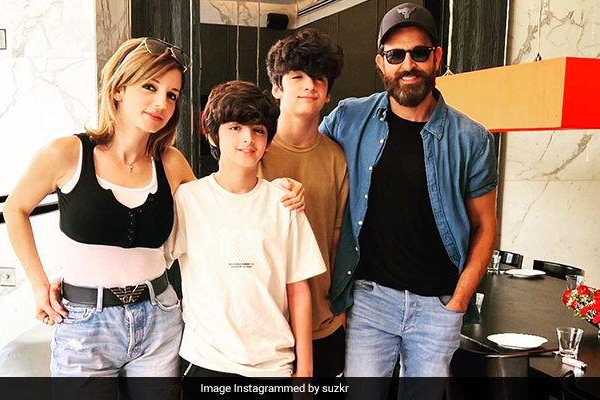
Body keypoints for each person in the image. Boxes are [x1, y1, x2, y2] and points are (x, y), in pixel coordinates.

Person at [3, 38, 303, 395]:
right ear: (118, 88)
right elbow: (15, 209)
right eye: (150, 87)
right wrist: (39, 285)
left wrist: (276, 189)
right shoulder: (67, 153)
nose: (162, 103)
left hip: (159, 317)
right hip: (85, 323)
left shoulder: (170, 162)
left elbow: (223, 205)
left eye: (172, 95)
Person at [319, 3, 498, 399]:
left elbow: (486, 225)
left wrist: (459, 301)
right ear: (380, 63)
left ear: (437, 57)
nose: (408, 65)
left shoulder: (471, 138)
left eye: (419, 52)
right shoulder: (349, 119)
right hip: (369, 302)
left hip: (439, 307)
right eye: (395, 55)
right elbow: (304, 153)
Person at [171, 81, 325, 391]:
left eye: (257, 130)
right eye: (235, 127)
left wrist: (305, 372)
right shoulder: (187, 200)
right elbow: (148, 260)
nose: (247, 139)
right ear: (212, 134)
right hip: (206, 361)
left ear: (268, 141)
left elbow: (299, 290)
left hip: (273, 366)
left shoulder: (285, 202)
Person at [261, 28, 348, 379]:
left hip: (323, 325)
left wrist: (340, 311)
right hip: (265, 324)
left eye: (318, 78)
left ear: (328, 93)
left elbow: (337, 241)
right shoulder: (253, 151)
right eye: (297, 76)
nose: (309, 85)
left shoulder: (337, 157)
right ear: (277, 88)